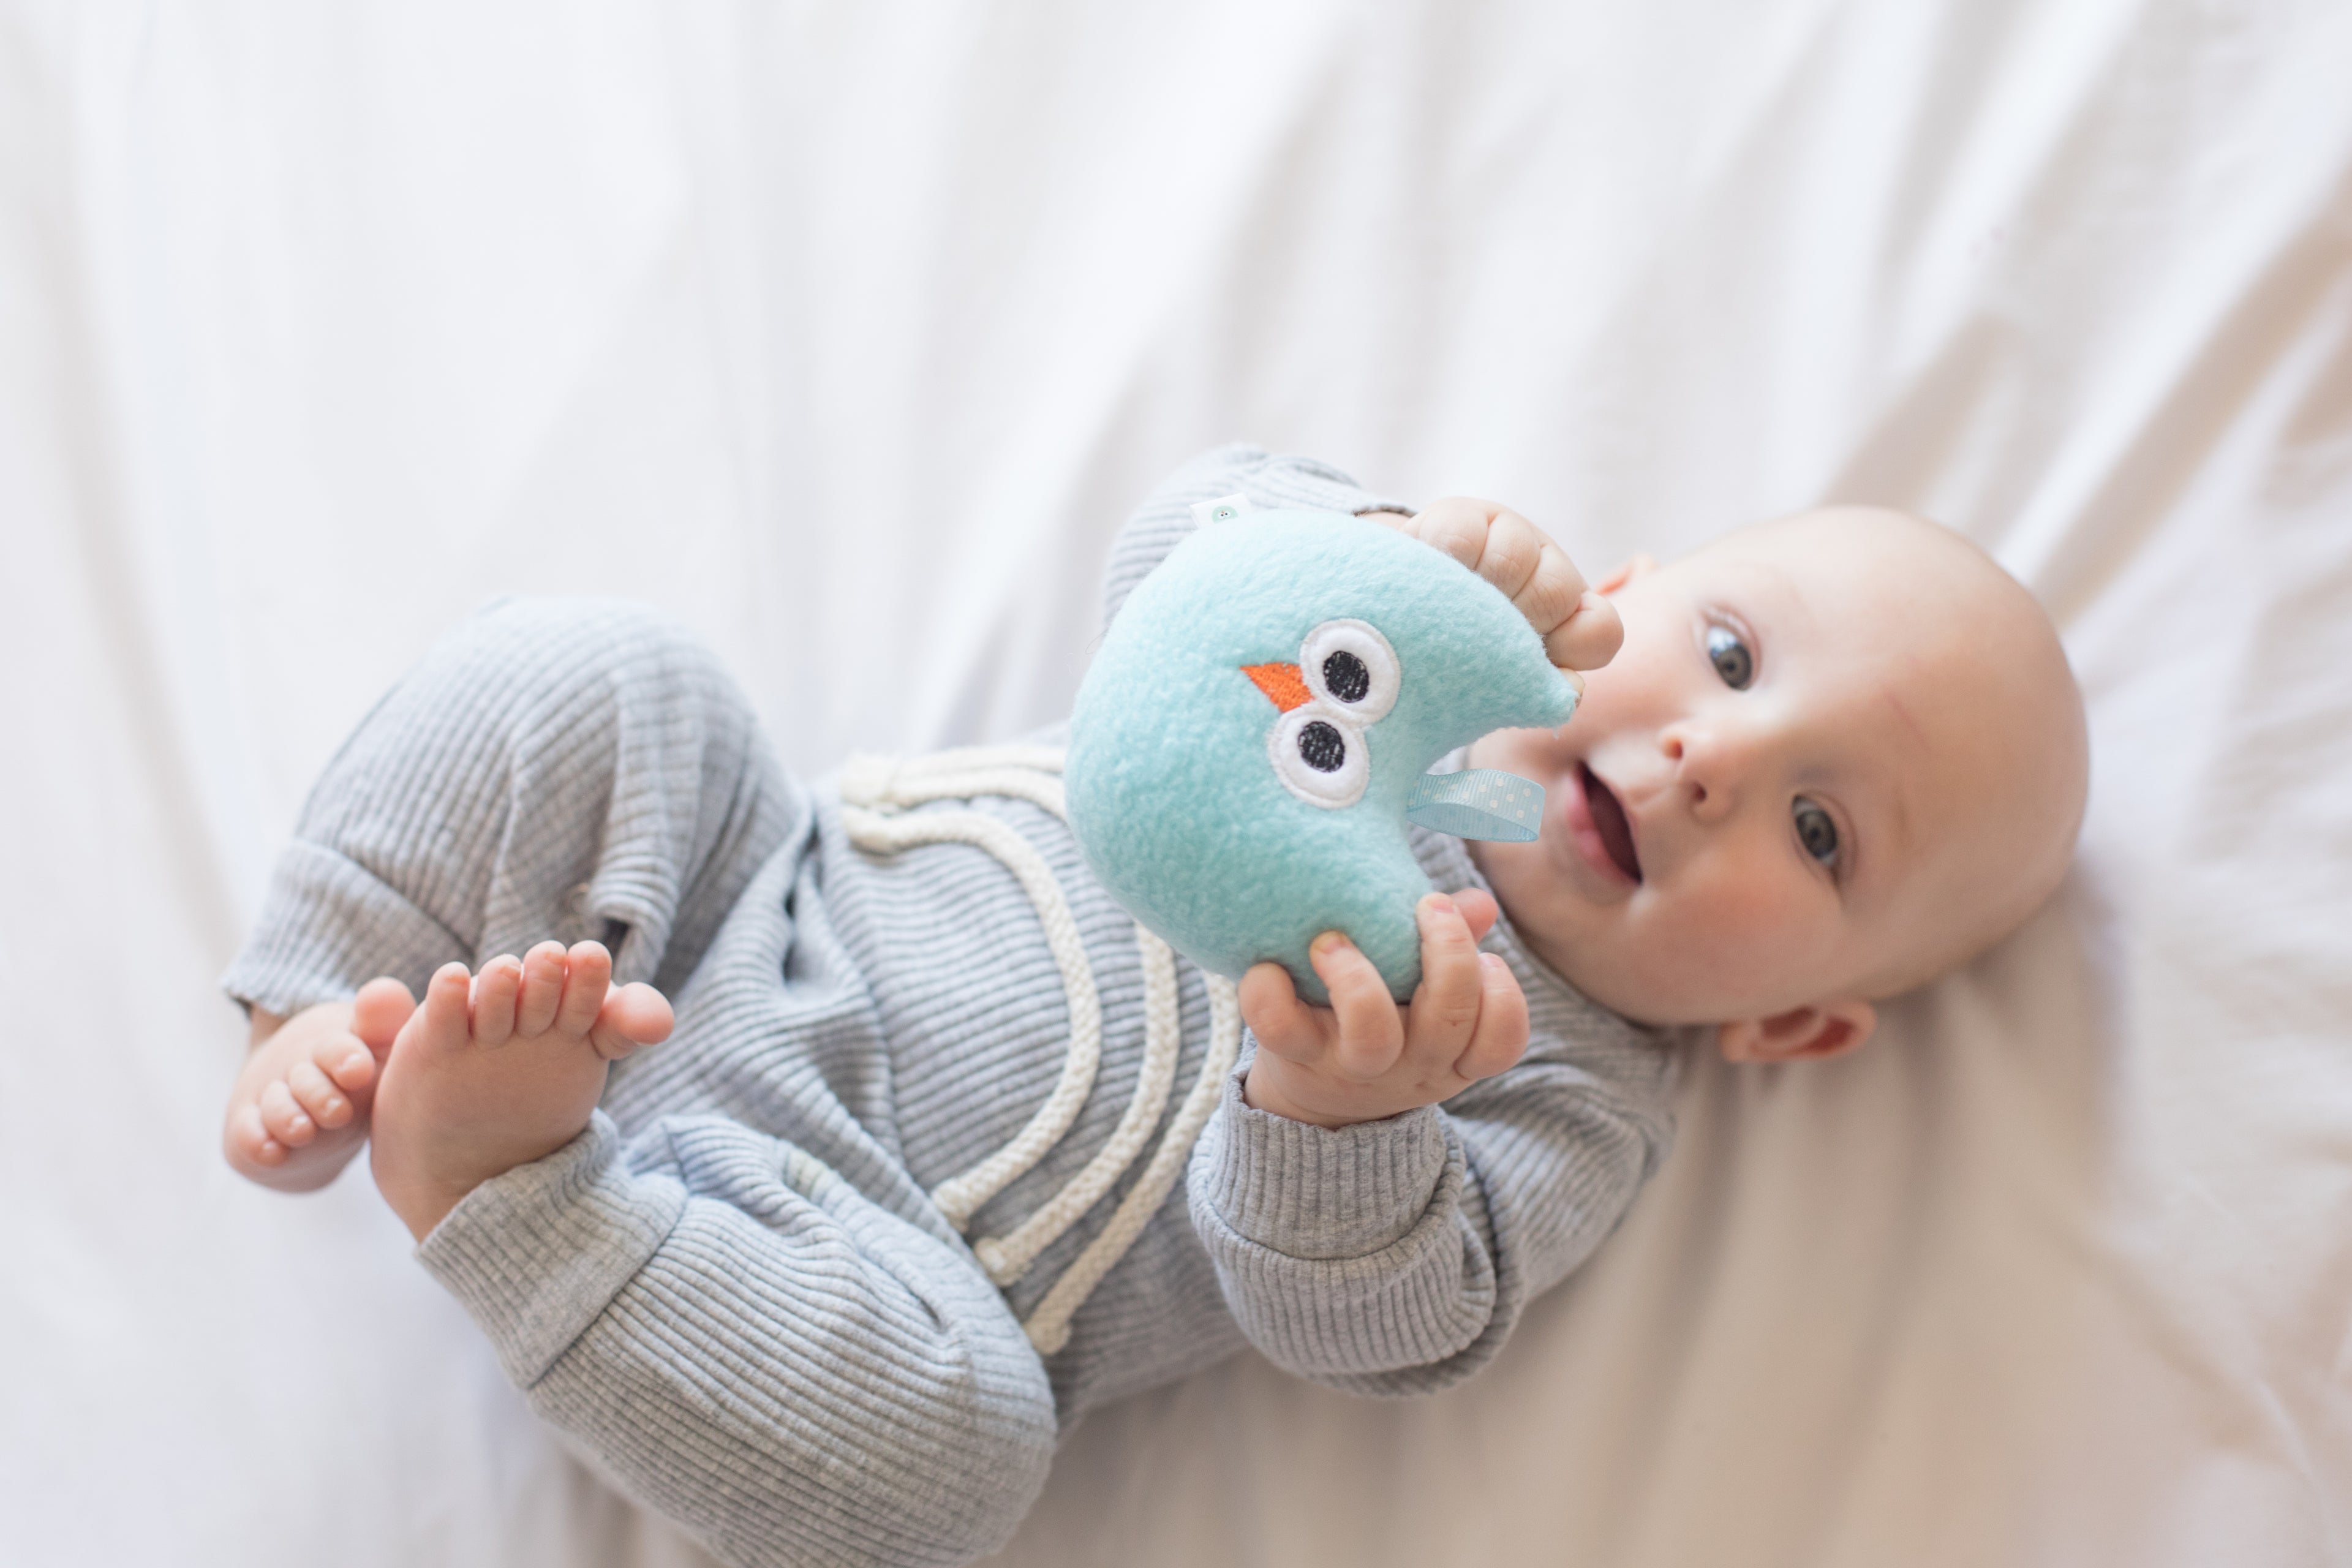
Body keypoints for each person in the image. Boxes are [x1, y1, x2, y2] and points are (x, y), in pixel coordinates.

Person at [216, 445, 2088, 1567]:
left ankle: (509, 1184)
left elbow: (1385, 1323)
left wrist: (1343, 1124)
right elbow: (1181, 554)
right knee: (608, 672)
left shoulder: (1570, 1089)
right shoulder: (1419, 666)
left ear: (1797, 1027)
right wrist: (1375, 548)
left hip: (843, 1257)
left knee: (949, 1475)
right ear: (1624, 588)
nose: (1706, 761)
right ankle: (327, 996)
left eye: (1823, 830)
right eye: (1738, 657)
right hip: (738, 888)